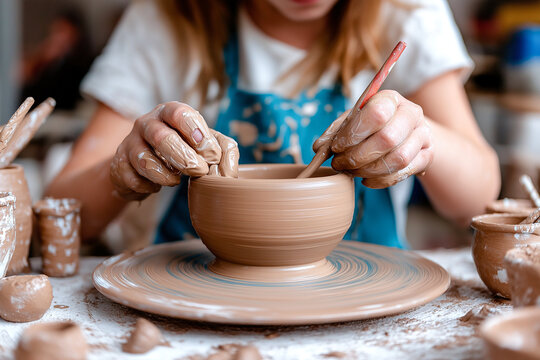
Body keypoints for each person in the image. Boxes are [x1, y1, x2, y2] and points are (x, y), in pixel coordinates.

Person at [47, 0, 500, 249]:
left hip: (359, 304)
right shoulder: (165, 19)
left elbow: (480, 198)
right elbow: (66, 213)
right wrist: (125, 167)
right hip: (196, 303)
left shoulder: (407, 11)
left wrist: (422, 138)